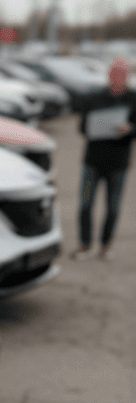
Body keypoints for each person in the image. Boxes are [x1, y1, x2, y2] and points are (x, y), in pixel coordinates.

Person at [73, 57, 136, 261]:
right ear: (109, 75)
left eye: (122, 74)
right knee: (85, 205)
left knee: (113, 207)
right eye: (114, 73)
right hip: (93, 160)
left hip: (119, 163)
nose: (117, 78)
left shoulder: (133, 99)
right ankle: (84, 245)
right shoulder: (94, 98)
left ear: (128, 77)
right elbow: (82, 128)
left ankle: (105, 246)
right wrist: (94, 127)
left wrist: (130, 129)